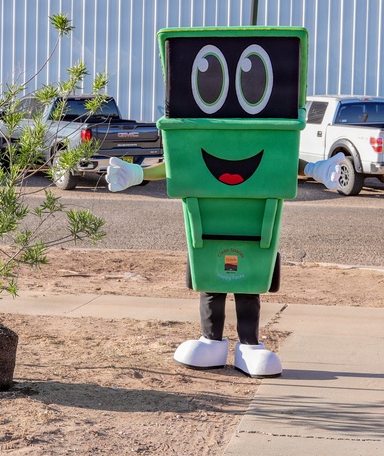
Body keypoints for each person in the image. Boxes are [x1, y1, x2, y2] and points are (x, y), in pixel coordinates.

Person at [106, 153, 342, 376]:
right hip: (212, 225)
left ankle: (249, 344)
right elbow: (182, 161)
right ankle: (211, 341)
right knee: (211, 282)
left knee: (248, 287)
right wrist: (139, 173)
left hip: (253, 226)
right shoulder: (196, 134)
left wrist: (313, 169)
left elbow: (278, 156)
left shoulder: (265, 131)